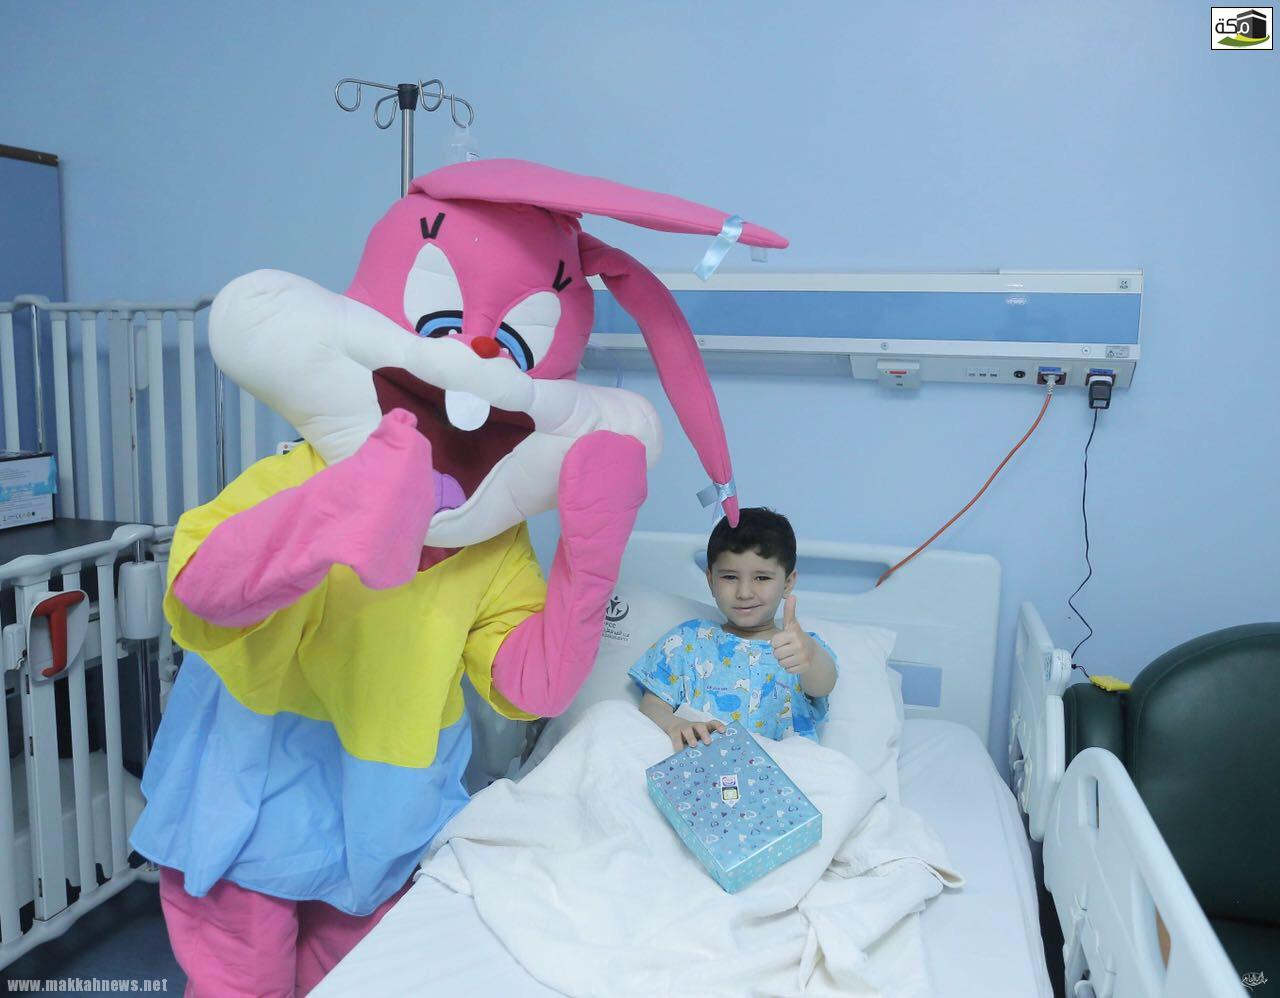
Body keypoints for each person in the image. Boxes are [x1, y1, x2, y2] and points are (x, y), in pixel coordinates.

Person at [631, 508, 837, 752]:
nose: (744, 593)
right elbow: (652, 705)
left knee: (840, 770)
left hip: (783, 766)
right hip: (704, 762)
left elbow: (823, 684)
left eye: (762, 578)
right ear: (711, 580)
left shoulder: (798, 647)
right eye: (730, 577)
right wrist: (674, 724)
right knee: (606, 714)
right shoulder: (689, 641)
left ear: (788, 582)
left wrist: (809, 655)